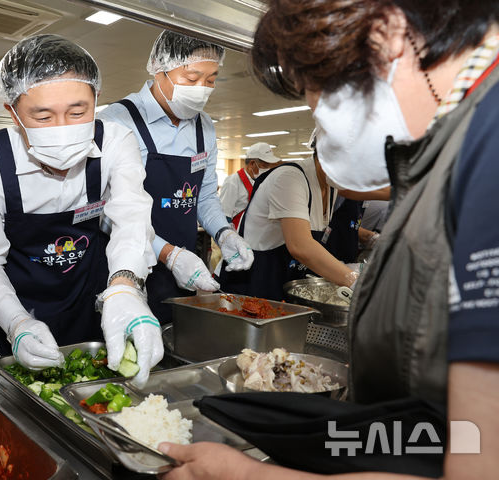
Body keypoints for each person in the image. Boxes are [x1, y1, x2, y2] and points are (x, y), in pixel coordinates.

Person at [159, 0, 499, 478]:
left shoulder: (489, 144)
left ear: (388, 34)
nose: (315, 111)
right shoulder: (456, 146)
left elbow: (477, 462)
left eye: (314, 88)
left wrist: (243, 474)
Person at [0, 35, 162, 386]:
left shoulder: (115, 142)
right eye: (43, 115)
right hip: (13, 310)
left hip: (88, 310)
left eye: (78, 112)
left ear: (96, 100)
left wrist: (125, 287)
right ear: (13, 112)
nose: (64, 128)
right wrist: (17, 324)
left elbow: (131, 220)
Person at [100, 30, 254, 322]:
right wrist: (169, 254)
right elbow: (107, 212)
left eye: (211, 80)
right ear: (160, 70)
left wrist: (225, 233)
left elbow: (204, 196)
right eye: (192, 78)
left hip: (186, 268)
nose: (202, 89)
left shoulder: (204, 126)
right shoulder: (118, 120)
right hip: (128, 266)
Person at [219, 146, 358, 301]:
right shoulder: (289, 178)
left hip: (284, 283)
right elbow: (300, 246)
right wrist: (355, 281)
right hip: (254, 285)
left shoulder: (331, 185)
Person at [219, 142, 281, 228]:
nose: (268, 169)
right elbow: (224, 215)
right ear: (252, 164)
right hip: (237, 233)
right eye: (264, 166)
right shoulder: (233, 181)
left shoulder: (261, 182)